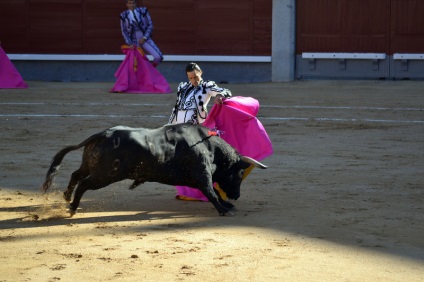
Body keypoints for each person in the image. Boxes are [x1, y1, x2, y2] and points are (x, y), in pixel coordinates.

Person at [120, 0, 163, 67]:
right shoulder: (123, 15)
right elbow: (124, 30)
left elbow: (150, 25)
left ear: (136, 3)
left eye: (133, 3)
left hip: (144, 38)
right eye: (130, 3)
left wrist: (144, 37)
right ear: (127, 4)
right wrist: (129, 43)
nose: (131, 5)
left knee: (158, 57)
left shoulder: (143, 11)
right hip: (133, 41)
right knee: (135, 64)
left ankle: (151, 69)